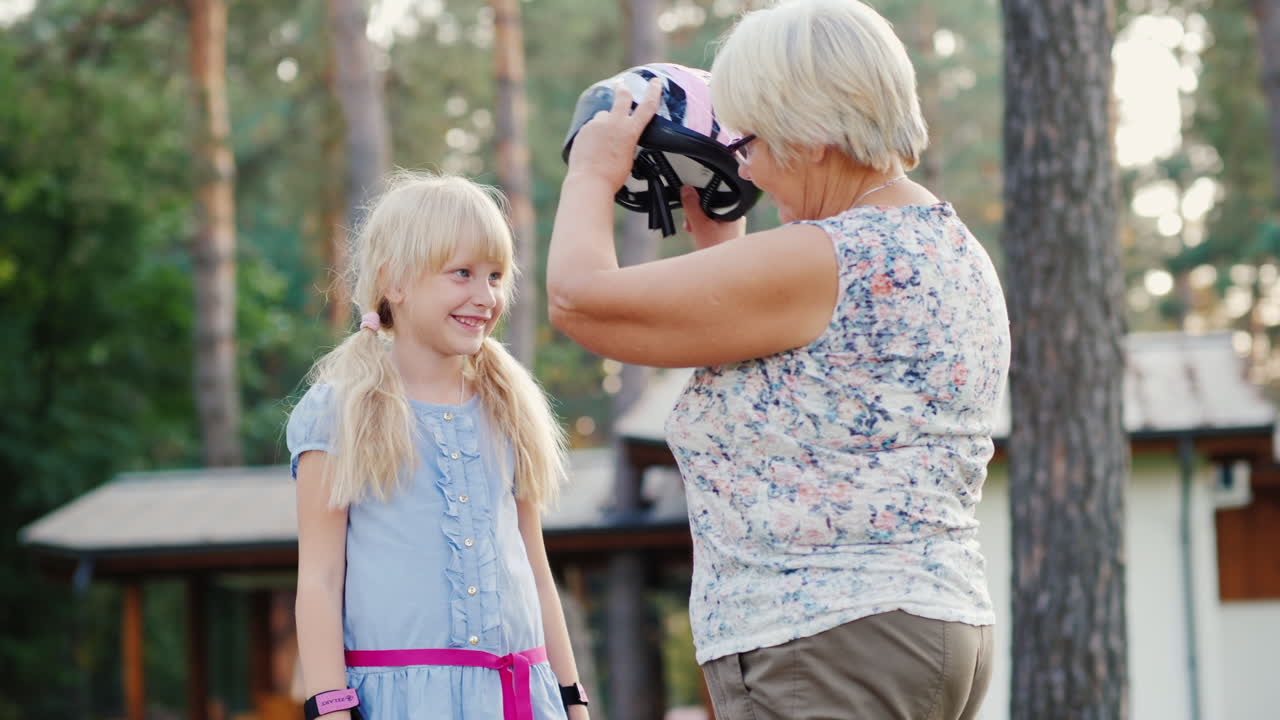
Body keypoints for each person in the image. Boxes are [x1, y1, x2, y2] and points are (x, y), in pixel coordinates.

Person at [545, 1, 1010, 718]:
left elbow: (580, 302)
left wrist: (592, 174)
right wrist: (720, 243)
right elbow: (810, 404)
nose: (746, 163)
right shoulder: (940, 246)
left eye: (753, 138)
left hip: (830, 641)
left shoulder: (830, 256)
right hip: (911, 625)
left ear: (815, 131)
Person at [288, 171, 591, 720]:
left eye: (496, 276)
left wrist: (573, 701)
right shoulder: (338, 412)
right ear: (395, 282)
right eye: (462, 274)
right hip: (398, 702)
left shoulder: (509, 407)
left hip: (520, 699)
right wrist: (331, 709)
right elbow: (319, 578)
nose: (486, 296)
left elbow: (535, 568)